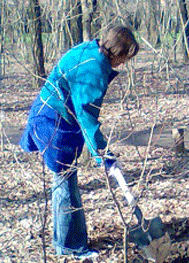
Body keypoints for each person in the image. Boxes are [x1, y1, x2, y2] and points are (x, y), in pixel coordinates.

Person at [20, 26, 139, 259]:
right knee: (64, 183)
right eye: (125, 57)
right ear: (116, 52)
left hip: (52, 117)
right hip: (53, 123)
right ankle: (68, 248)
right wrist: (102, 154)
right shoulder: (93, 69)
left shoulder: (92, 50)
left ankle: (71, 241)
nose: (124, 63)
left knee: (66, 181)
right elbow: (86, 115)